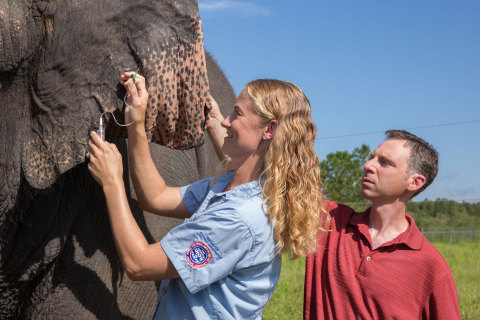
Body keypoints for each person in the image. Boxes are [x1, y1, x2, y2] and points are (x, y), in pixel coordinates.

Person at [87, 73, 326, 319]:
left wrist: (112, 181)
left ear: (270, 129)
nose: (225, 122)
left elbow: (139, 264)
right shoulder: (225, 186)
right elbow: (155, 196)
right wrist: (136, 123)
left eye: (237, 114)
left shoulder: (242, 218)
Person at [303, 130, 461, 319]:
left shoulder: (430, 266)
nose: (367, 165)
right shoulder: (331, 222)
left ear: (414, 182)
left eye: (385, 162)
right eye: (372, 158)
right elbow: (285, 180)